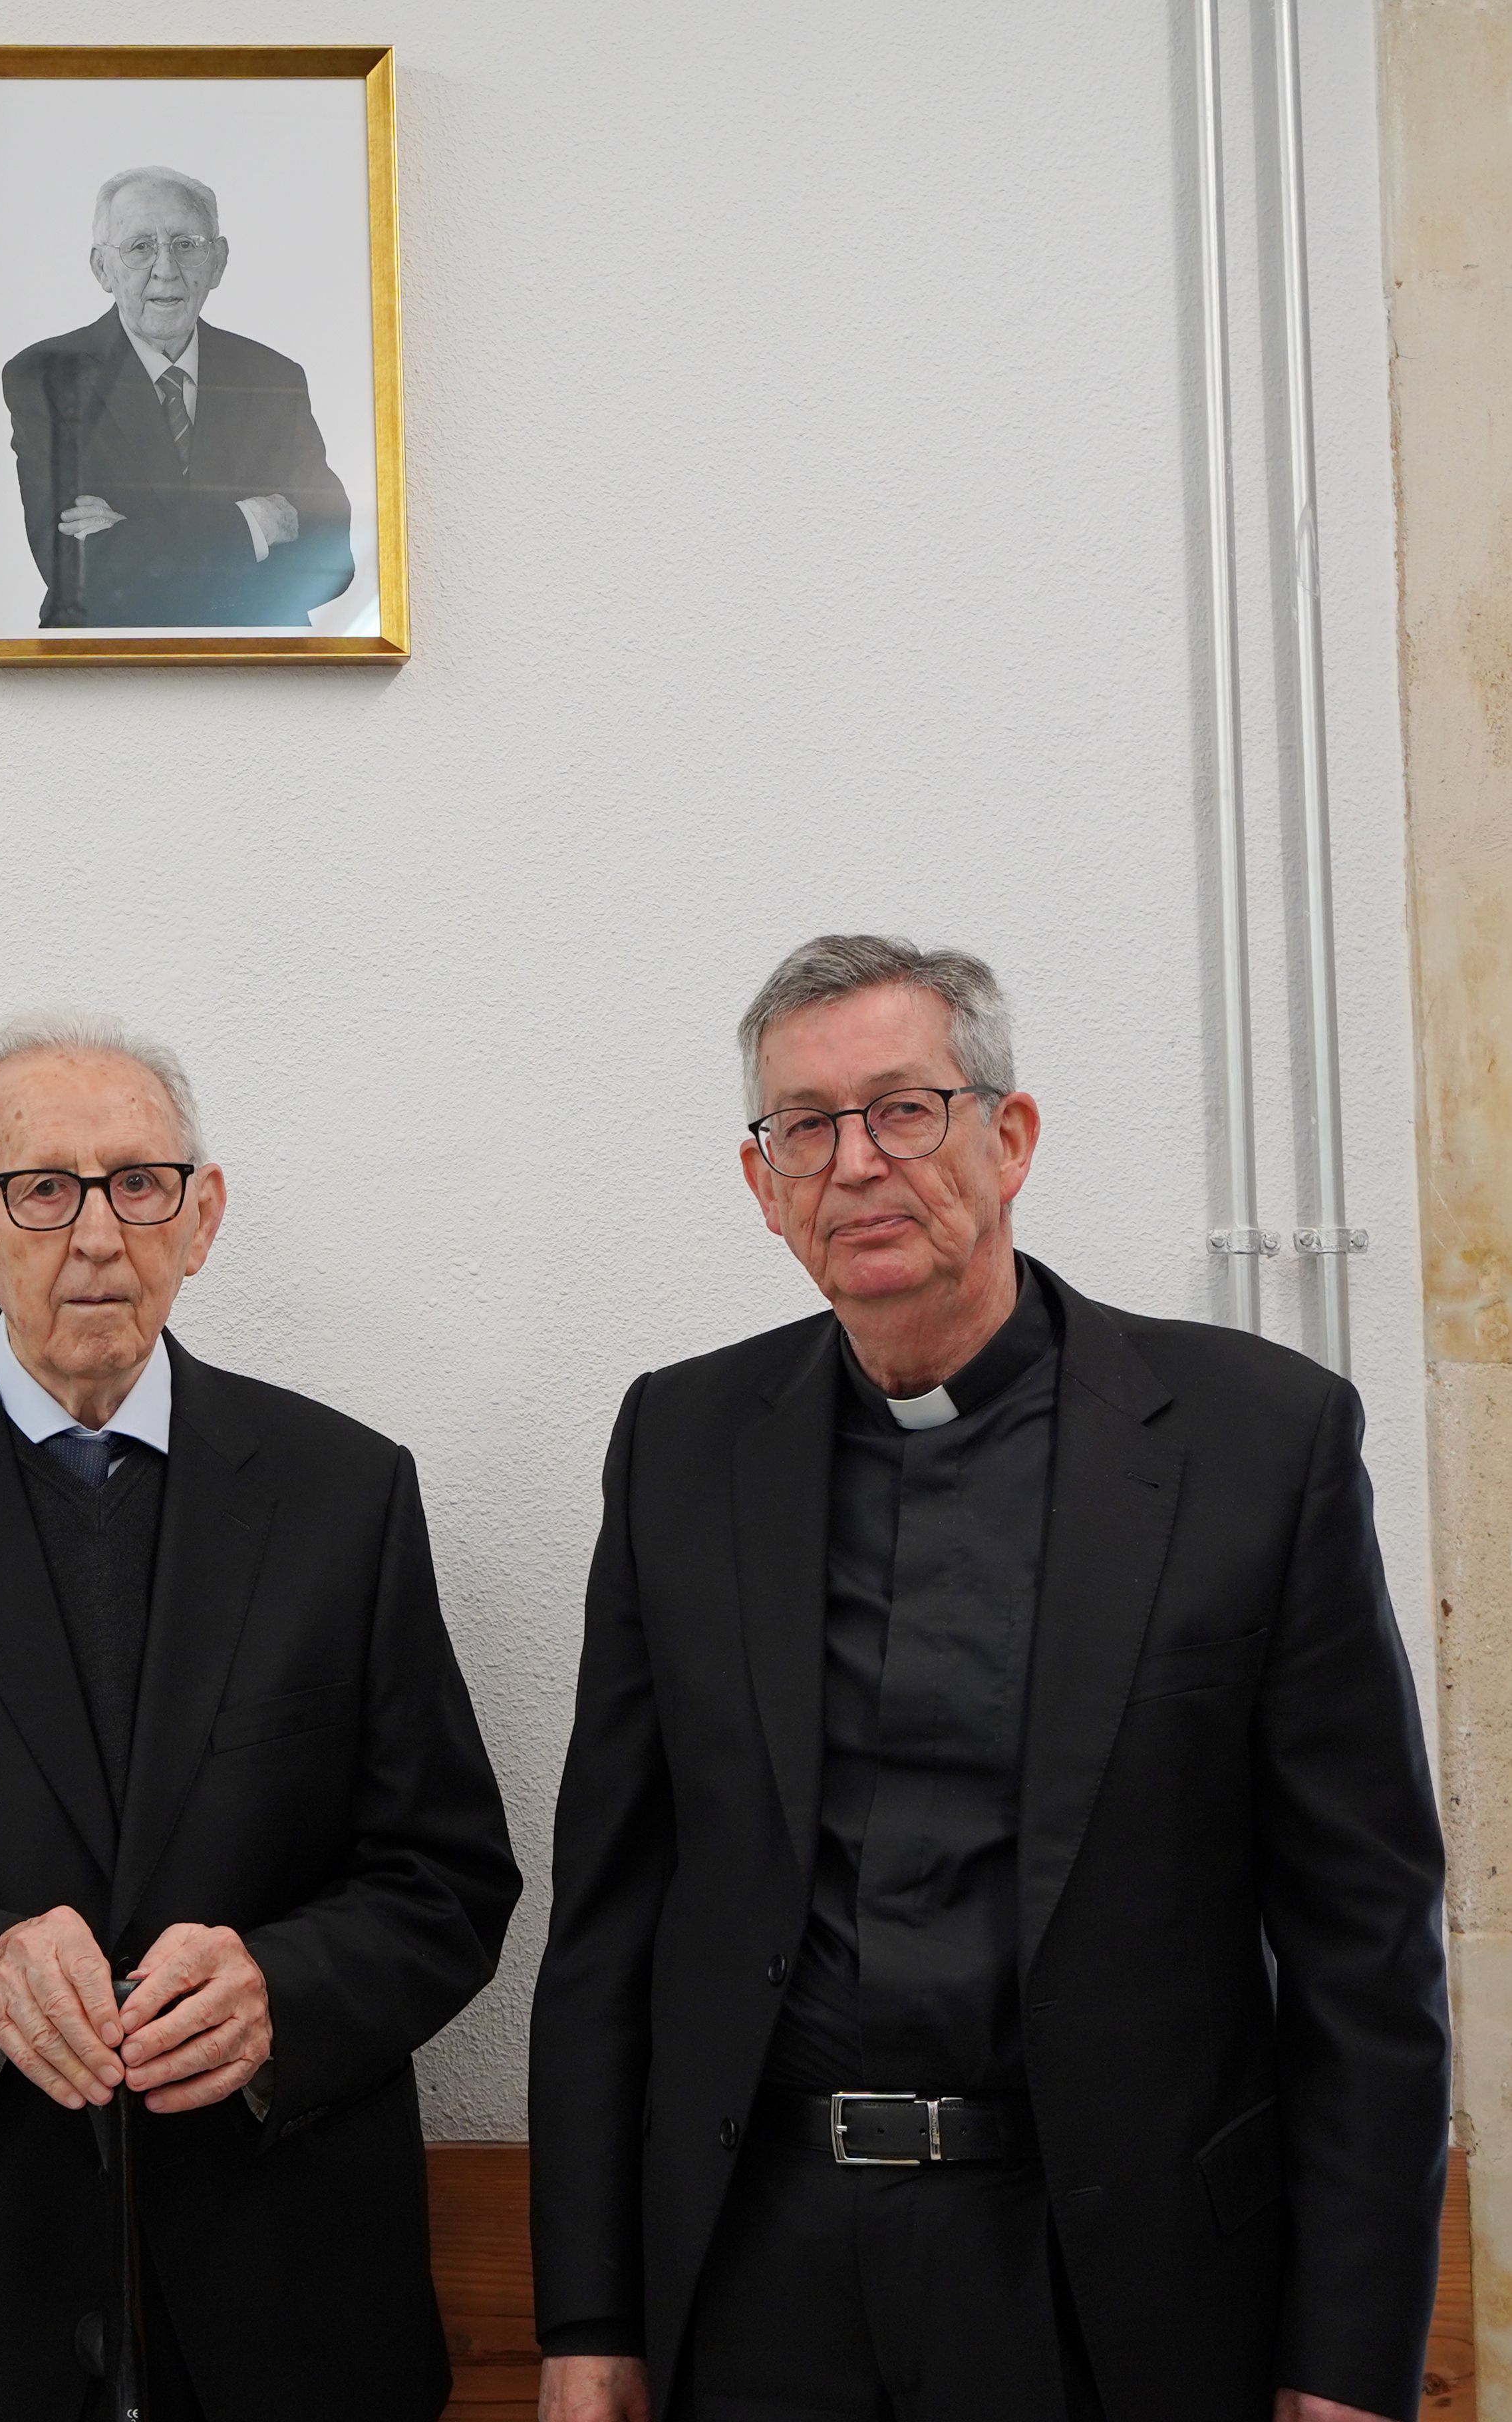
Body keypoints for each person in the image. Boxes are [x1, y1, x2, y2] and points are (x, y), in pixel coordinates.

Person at [530, 937, 1449, 2422]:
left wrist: (1344, 2366)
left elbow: (1364, 1947)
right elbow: (606, 1922)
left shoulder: (1250, 1444)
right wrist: (583, 2315)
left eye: (902, 1108)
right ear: (761, 1185)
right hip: (757, 2262)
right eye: (804, 1127)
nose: (854, 1164)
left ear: (1004, 1138)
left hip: (1103, 2271)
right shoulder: (677, 1446)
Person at [0, 1013, 520, 2420]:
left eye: (138, 1183)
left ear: (200, 1215)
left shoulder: (341, 1491)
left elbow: (446, 1875)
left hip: (287, 2304)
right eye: (41, 1188)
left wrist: (281, 1991)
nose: (96, 1233)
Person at [0, 167, 357, 629]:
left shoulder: (274, 377)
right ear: (101, 268)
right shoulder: (46, 375)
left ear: (219, 262)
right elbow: (82, 576)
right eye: (139, 247)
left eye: (186, 246)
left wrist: (137, 540)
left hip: (261, 672)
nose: (165, 270)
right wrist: (255, 523)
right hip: (103, 677)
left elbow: (331, 563)